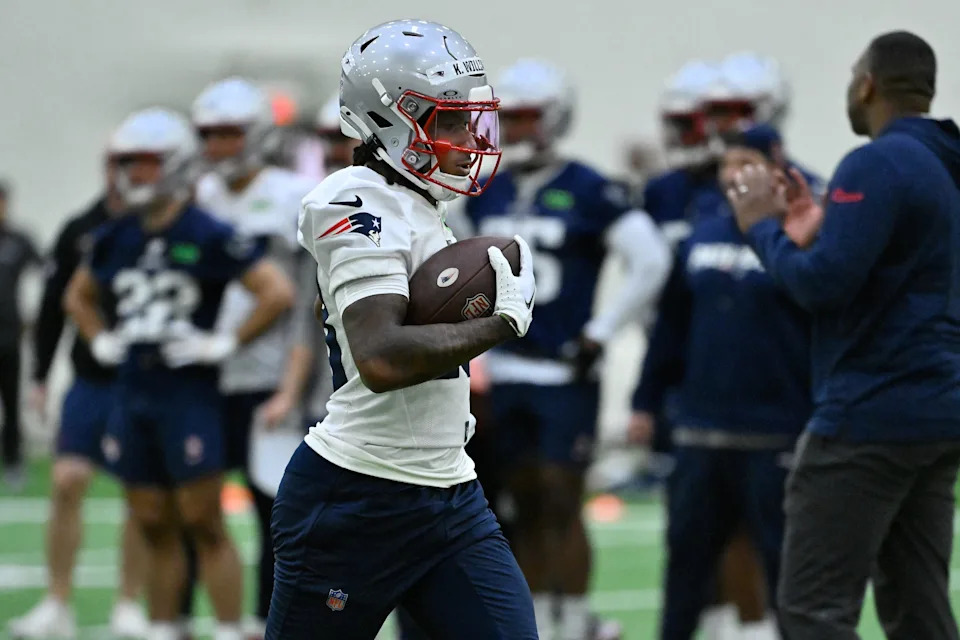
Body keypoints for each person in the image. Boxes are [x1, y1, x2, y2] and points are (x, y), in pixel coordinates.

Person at [266, 19, 538, 640]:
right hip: (356, 497)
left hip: (447, 488)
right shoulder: (354, 200)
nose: (466, 135)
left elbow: (329, 312)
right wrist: (500, 323)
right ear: (388, 121)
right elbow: (382, 359)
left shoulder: (414, 203)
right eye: (446, 120)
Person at [728, 31, 960, 639]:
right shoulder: (943, 161)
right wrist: (813, 227)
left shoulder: (876, 161)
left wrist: (763, 229)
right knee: (920, 608)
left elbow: (822, 285)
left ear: (866, 85)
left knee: (812, 610)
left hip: (869, 415)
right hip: (938, 414)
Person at [459, 58, 669, 640]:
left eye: (527, 118)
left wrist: (600, 331)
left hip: (560, 370)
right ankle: (533, 621)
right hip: (497, 369)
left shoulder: (589, 188)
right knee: (515, 501)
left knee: (559, 496)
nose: (518, 130)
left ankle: (572, 620)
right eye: (511, 119)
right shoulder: (485, 189)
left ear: (554, 118)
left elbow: (650, 261)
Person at [64, 107, 294, 640]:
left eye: (147, 163)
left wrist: (223, 342)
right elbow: (78, 294)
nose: (136, 174)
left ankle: (232, 628)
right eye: (129, 163)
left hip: (187, 392)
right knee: (150, 520)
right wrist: (98, 336)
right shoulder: (116, 234)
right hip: (132, 390)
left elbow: (276, 291)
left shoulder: (207, 230)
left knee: (203, 520)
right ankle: (165, 626)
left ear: (175, 164)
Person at [631, 128, 812, 640]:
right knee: (686, 568)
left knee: (786, 570)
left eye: (747, 162)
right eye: (727, 162)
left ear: (776, 165)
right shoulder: (701, 233)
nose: (733, 173)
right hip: (700, 432)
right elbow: (670, 328)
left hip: (776, 431)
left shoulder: (799, 233)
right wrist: (644, 402)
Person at [191, 76, 317, 638]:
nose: (217, 145)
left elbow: (303, 298)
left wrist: (292, 387)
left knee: (276, 511)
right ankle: (206, 618)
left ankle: (271, 620)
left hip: (267, 374)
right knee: (193, 502)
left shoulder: (293, 194)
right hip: (204, 370)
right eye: (209, 134)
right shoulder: (203, 195)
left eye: (228, 133)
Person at [8, 160, 149, 639]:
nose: (124, 174)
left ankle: (128, 603)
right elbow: (55, 303)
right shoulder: (80, 229)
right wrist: (42, 376)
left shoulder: (159, 224)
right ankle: (57, 601)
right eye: (118, 163)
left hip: (142, 381)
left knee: (140, 490)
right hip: (90, 377)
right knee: (67, 479)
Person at [0, 181, 41, 488]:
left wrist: (35, 320)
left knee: (11, 403)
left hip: (8, 336)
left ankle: (13, 461)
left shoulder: (17, 240)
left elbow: (49, 273)